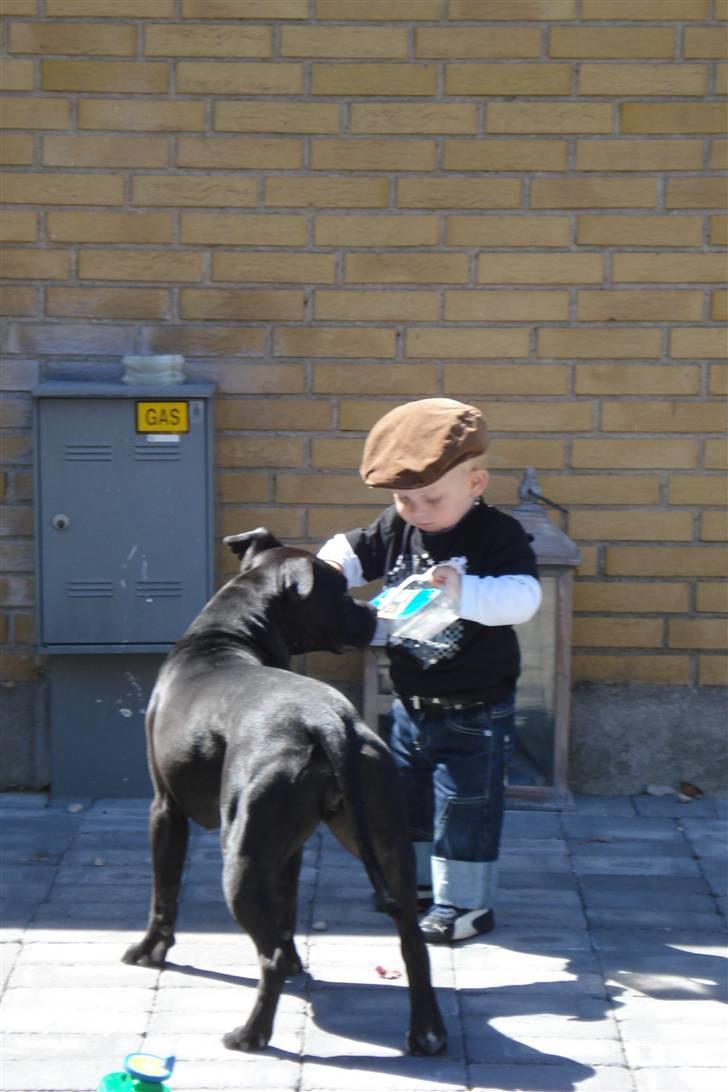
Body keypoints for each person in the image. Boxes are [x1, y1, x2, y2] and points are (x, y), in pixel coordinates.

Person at [318, 398, 541, 944]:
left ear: (476, 482)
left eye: (430, 499)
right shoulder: (397, 525)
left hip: (477, 709)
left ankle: (464, 904)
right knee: (408, 800)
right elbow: (350, 549)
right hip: (411, 704)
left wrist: (464, 592)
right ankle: (414, 884)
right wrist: (324, 572)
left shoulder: (497, 535)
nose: (415, 511)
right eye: (403, 498)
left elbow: (524, 598)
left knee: (464, 808)